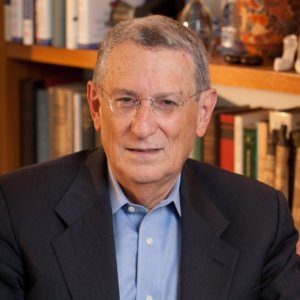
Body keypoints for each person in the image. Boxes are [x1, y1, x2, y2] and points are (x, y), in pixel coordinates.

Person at [0, 15, 299, 300]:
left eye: (167, 102)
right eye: (126, 100)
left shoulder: (260, 218)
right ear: (95, 106)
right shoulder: (16, 209)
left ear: (203, 113)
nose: (142, 127)